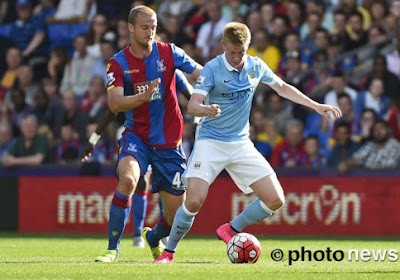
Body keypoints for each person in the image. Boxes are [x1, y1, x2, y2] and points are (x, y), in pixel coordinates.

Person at [154, 22, 342, 263]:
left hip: (241, 143)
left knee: (276, 199)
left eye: (241, 52)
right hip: (211, 141)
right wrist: (206, 109)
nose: (236, 57)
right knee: (193, 200)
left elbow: (283, 88)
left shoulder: (255, 66)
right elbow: (192, 105)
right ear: (223, 46)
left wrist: (317, 106)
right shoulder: (212, 69)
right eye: (232, 52)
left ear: (248, 47)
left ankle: (230, 229)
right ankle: (169, 252)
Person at [94, 5, 202, 263]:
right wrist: (141, 97)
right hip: (137, 138)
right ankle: (112, 250)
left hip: (169, 142)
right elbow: (115, 104)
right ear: (130, 28)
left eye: (153, 27)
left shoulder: (170, 52)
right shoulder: (118, 63)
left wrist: (223, 81)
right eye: (144, 27)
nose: (150, 32)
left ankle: (153, 237)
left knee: (179, 217)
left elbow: (201, 72)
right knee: (129, 179)